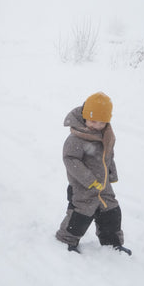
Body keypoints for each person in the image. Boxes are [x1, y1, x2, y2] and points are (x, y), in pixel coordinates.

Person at [55, 92, 131, 254]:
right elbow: (70, 160)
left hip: (103, 186)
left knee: (111, 211)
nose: (96, 125)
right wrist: (89, 179)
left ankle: (112, 243)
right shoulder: (76, 139)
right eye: (92, 120)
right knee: (81, 214)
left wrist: (111, 174)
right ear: (84, 116)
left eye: (101, 122)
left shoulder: (105, 136)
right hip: (83, 187)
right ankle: (66, 240)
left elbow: (108, 156)